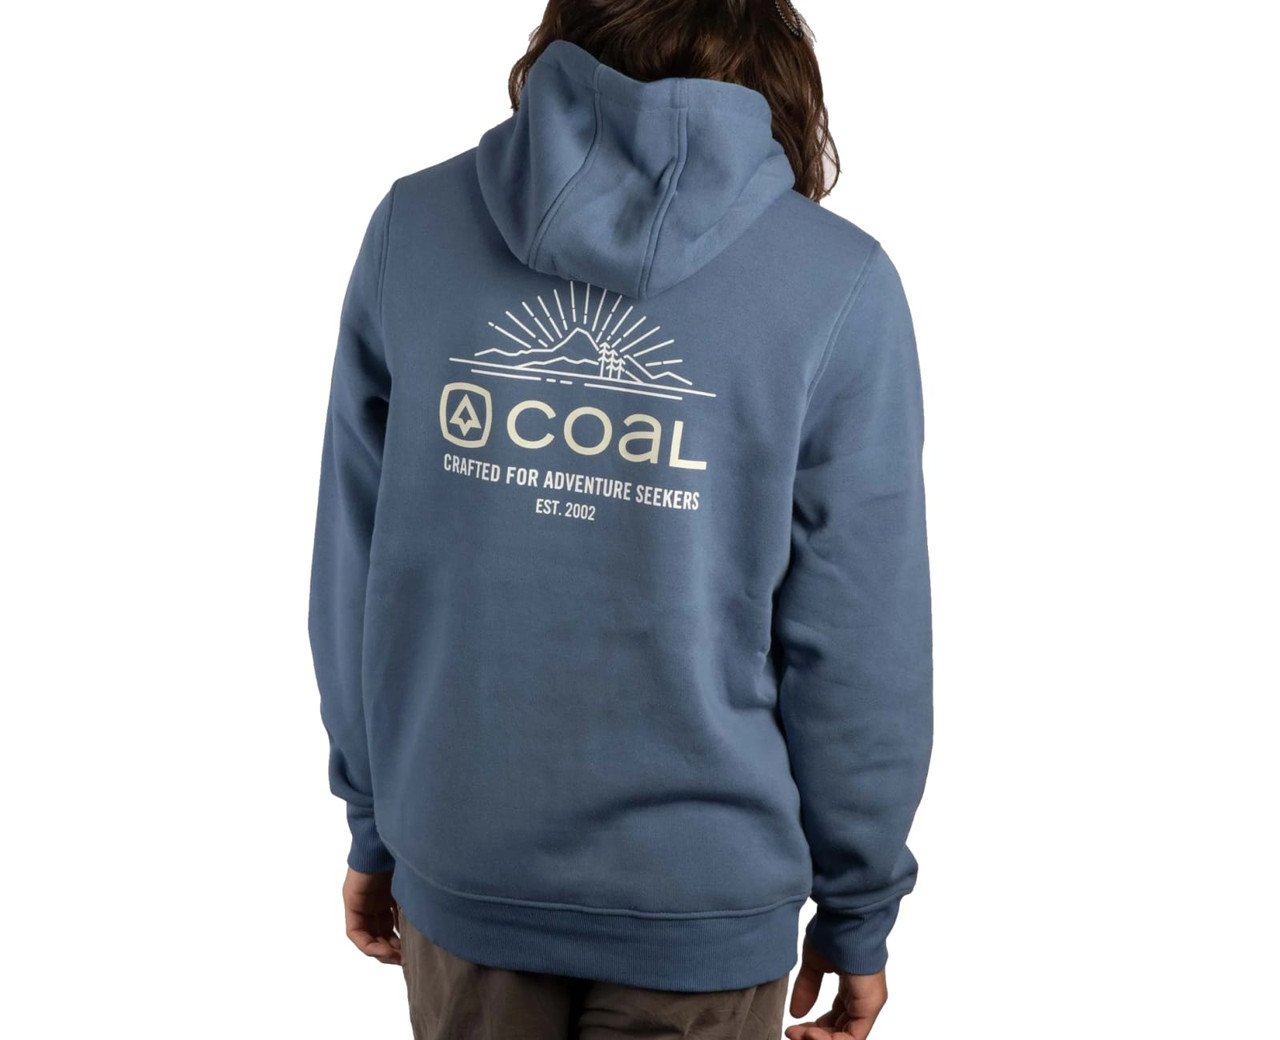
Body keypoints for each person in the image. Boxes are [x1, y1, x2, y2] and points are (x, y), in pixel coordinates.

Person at [307, 2, 933, 1037]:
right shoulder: (837, 283)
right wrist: (857, 907)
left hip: (465, 860)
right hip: (703, 890)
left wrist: (373, 816)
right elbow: (862, 637)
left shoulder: (414, 228)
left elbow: (357, 570)